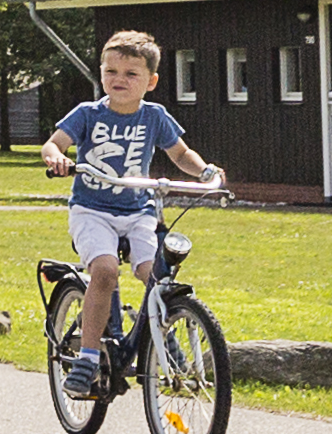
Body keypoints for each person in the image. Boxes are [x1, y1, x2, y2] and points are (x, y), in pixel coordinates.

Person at [44, 29, 222, 395]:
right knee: (105, 271)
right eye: (111, 72)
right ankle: (88, 357)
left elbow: (180, 154)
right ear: (101, 73)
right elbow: (53, 143)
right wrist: (57, 158)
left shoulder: (155, 117)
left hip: (139, 210)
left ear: (151, 81)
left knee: (156, 276)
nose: (118, 80)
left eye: (130, 74)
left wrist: (205, 171)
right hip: (92, 211)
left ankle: (160, 334)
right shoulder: (87, 114)